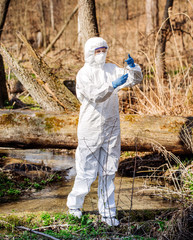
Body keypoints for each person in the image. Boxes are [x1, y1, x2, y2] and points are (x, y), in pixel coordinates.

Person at [66, 37, 143, 227]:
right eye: (97, 51)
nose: (101, 54)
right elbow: (95, 95)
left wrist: (133, 68)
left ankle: (108, 213)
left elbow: (134, 80)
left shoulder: (111, 70)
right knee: (86, 171)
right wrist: (112, 85)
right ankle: (74, 207)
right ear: (89, 53)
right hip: (90, 127)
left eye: (104, 50)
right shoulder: (83, 74)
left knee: (108, 171)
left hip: (111, 127)